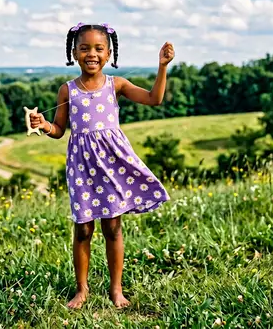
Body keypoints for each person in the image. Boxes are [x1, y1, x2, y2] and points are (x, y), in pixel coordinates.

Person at [29, 22, 175, 309]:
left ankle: (116, 290)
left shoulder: (115, 85)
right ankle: (82, 290)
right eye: (84, 48)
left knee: (112, 227)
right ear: (74, 52)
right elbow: (60, 129)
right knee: (83, 229)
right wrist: (44, 125)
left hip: (112, 166)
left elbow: (154, 99)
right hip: (81, 167)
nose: (91, 54)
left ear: (108, 54)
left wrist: (162, 67)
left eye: (98, 48)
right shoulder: (67, 90)